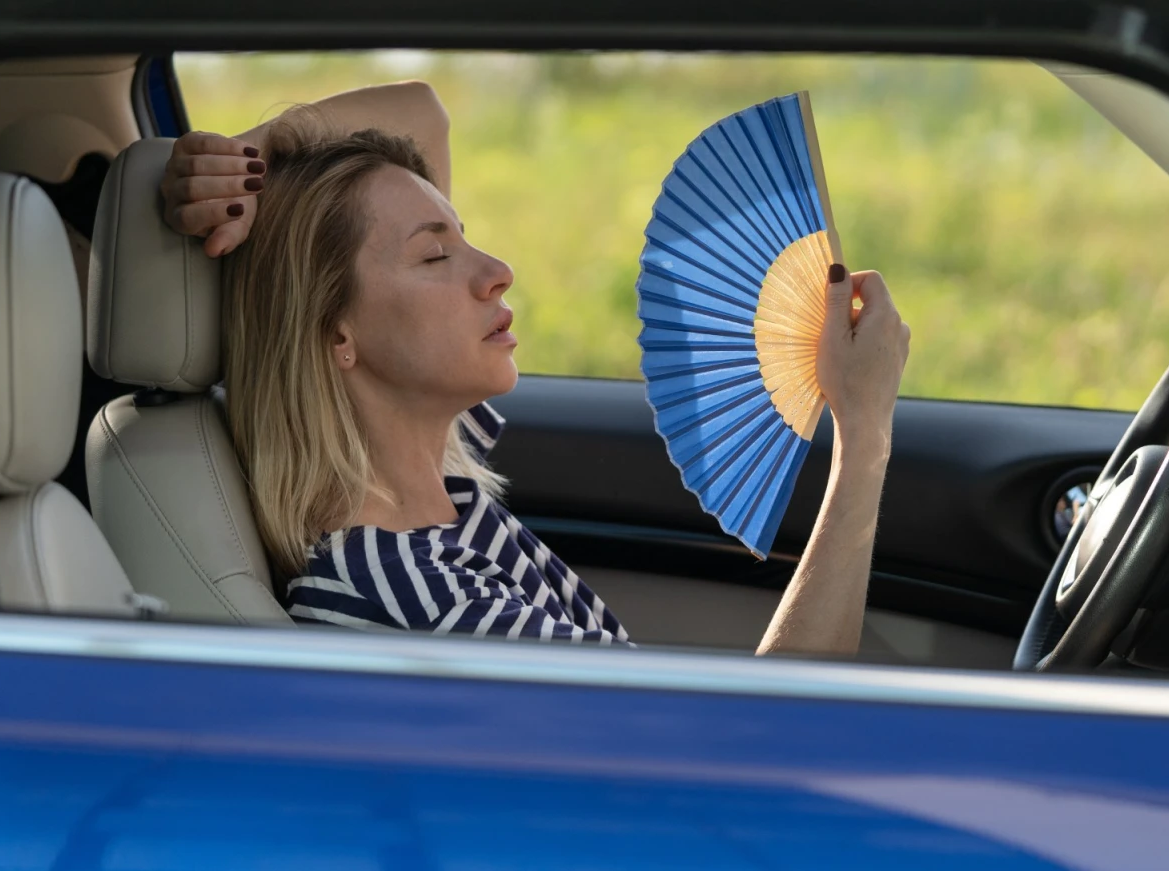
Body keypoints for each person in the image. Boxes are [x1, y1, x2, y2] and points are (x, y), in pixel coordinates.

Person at [160, 82, 910, 656]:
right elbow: (749, 756)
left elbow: (421, 114)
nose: (498, 271)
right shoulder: (410, 590)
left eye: (468, 236)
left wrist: (247, 164)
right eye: (434, 255)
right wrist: (864, 434)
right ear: (336, 334)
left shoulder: (436, 486)